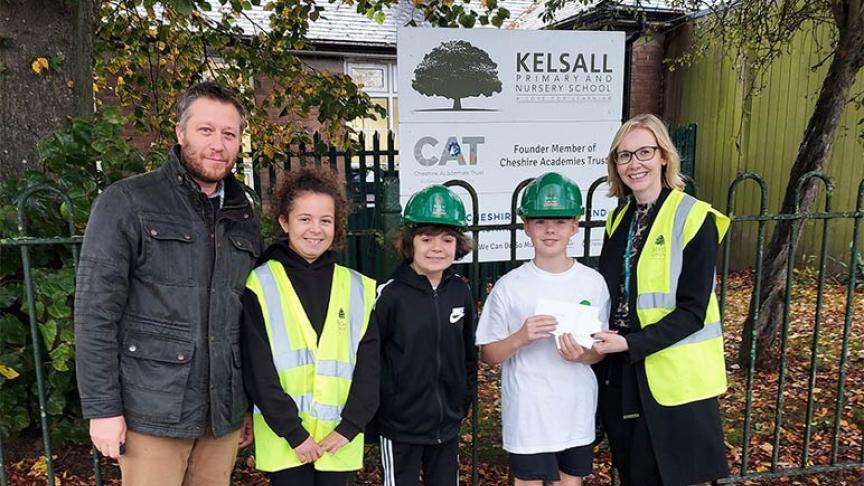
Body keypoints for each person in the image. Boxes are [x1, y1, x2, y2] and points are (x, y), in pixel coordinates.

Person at [74, 82, 260, 485]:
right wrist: (102, 409)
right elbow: (94, 314)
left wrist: (243, 406)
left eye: (229, 134)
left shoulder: (245, 212)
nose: (218, 144)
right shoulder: (128, 202)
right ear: (180, 133)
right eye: (206, 130)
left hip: (221, 415)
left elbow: (244, 318)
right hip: (151, 411)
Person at [592, 113, 730, 486]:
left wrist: (629, 342)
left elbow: (692, 311)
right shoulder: (617, 220)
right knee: (632, 474)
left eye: (644, 152)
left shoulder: (694, 217)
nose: (634, 164)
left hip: (674, 377)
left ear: (664, 157)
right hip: (621, 371)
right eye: (624, 156)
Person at [241, 167, 378, 486]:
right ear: (284, 222)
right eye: (304, 219)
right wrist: (295, 433)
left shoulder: (358, 287)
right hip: (286, 440)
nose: (315, 229)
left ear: (336, 225)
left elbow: (370, 369)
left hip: (338, 439)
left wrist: (349, 427)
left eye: (325, 220)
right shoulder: (260, 283)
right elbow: (257, 369)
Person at [475, 172, 610, 486]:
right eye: (540, 221)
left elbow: (598, 352)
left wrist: (584, 355)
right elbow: (488, 355)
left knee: (569, 482)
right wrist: (520, 337)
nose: (550, 229)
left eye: (561, 221)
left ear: (575, 226)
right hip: (529, 412)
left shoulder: (592, 282)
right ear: (526, 227)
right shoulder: (510, 287)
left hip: (575, 408)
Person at [372, 185, 478, 486]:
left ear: (458, 245)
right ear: (410, 243)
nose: (437, 248)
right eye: (426, 238)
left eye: (447, 240)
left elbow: (468, 354)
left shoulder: (460, 290)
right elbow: (373, 359)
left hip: (446, 424)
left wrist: (462, 400)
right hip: (400, 427)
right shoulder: (390, 295)